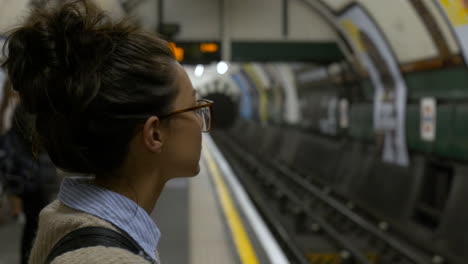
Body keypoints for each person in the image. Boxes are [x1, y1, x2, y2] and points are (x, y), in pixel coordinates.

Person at [2, 0, 213, 263]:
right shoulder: (108, 258)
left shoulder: (67, 218)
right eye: (193, 107)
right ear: (155, 134)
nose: (200, 120)